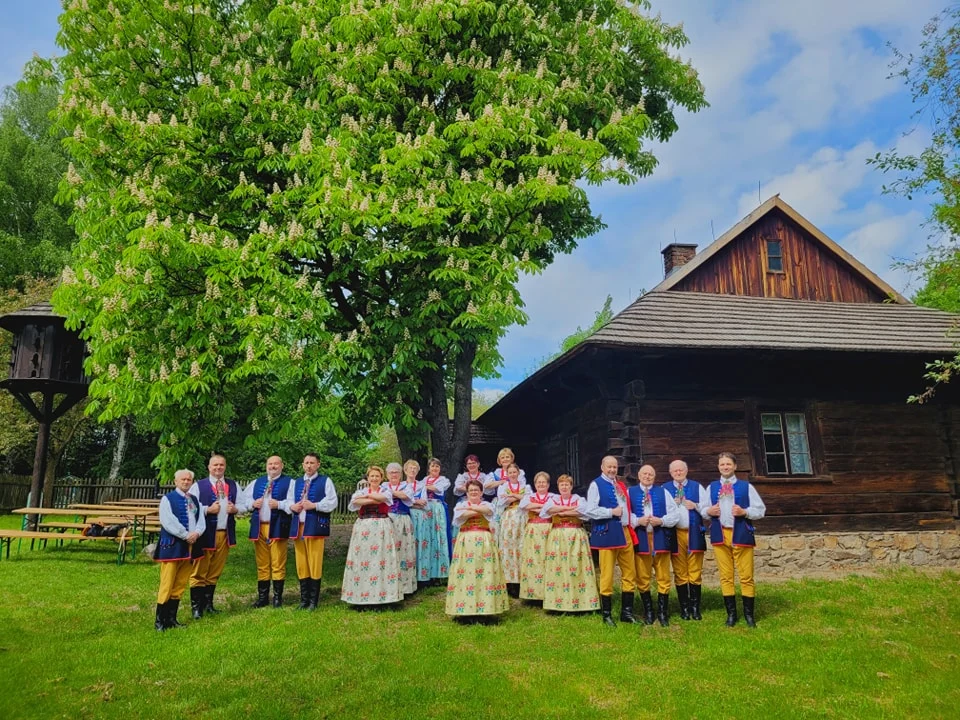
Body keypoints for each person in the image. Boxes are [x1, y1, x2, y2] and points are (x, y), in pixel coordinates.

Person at [702, 452, 766, 627]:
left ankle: (749, 615)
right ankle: (731, 614)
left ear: (735, 466)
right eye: (722, 464)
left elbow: (760, 510)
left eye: (728, 464)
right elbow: (702, 509)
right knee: (726, 576)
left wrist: (745, 512)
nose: (725, 467)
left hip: (741, 534)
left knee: (746, 575)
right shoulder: (712, 487)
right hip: (720, 534)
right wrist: (709, 511)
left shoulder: (746, 487)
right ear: (718, 467)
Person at [189, 453, 245, 619]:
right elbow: (189, 507)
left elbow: (244, 505)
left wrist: (236, 509)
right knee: (199, 571)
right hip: (205, 534)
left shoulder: (233, 485)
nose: (218, 468)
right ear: (209, 467)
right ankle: (197, 608)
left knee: (215, 571)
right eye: (215, 465)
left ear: (225, 467)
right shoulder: (199, 486)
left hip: (224, 534)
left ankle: (208, 605)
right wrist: (207, 509)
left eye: (221, 465)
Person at [585, 455, 638, 626]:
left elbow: (627, 509)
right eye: (609, 467)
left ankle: (626, 612)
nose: (612, 470)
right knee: (607, 574)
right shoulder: (596, 485)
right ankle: (606, 614)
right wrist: (610, 512)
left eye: (615, 467)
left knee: (630, 572)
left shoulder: (620, 485)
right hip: (608, 533)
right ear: (602, 467)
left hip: (625, 532)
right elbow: (590, 510)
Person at [445, 478, 508, 621]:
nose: (474, 492)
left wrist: (470, 509)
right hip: (466, 542)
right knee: (465, 573)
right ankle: (465, 609)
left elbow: (488, 511)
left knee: (485, 573)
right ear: (467, 493)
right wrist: (474, 510)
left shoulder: (487, 504)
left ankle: (486, 609)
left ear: (481, 493)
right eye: (471, 490)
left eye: (476, 490)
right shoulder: (460, 505)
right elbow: (460, 516)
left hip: (484, 542)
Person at [341, 466, 403, 607]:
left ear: (381, 478)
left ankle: (383, 596)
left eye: (377, 476)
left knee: (381, 559)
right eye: (372, 476)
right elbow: (355, 502)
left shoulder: (385, 491)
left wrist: (367, 498)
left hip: (381, 527)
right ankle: (361, 596)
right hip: (364, 527)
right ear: (368, 478)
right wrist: (373, 499)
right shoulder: (361, 491)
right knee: (363, 559)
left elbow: (383, 499)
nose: (374, 479)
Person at [154, 469, 206, 630]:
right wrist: (185, 535)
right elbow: (168, 521)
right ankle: (160, 622)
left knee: (180, 582)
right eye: (183, 479)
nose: (186, 482)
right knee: (167, 582)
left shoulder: (194, 500)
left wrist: (197, 533)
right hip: (173, 546)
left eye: (189, 479)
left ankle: (171, 619)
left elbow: (200, 520)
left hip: (190, 546)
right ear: (176, 481)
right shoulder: (167, 499)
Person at [628, 464, 680, 626]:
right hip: (641, 538)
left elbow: (675, 514)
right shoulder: (630, 492)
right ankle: (649, 611)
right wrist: (638, 521)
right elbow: (625, 514)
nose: (647, 476)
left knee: (663, 576)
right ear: (639, 475)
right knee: (643, 577)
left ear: (654, 476)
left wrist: (662, 521)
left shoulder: (663, 492)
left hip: (660, 538)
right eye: (644, 474)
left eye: (650, 474)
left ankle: (663, 612)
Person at [540, 474, 598, 614]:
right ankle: (558, 603)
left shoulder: (579, 499)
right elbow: (547, 510)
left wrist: (560, 510)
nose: (564, 487)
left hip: (575, 535)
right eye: (562, 485)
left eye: (567, 484)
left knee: (576, 566)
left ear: (571, 486)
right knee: (558, 567)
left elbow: (583, 511)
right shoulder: (553, 499)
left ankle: (582, 602)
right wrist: (569, 510)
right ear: (558, 487)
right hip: (558, 536)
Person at [242, 455, 294, 608]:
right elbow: (244, 501)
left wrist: (279, 504)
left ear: (282, 466)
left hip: (278, 526)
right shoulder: (256, 482)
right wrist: (253, 503)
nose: (273, 466)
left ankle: (277, 598)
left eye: (276, 464)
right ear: (266, 466)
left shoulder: (290, 482)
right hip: (260, 527)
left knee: (278, 562)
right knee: (262, 563)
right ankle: (263, 598)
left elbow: (294, 503)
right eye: (270, 464)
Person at [288, 453, 338, 611]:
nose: (309, 466)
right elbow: (288, 500)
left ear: (318, 465)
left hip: (315, 525)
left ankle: (313, 601)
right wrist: (292, 506)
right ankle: (304, 600)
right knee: (301, 562)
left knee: (315, 562)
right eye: (306, 463)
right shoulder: (296, 482)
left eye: (312, 463)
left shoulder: (325, 481)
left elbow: (332, 502)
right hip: (299, 526)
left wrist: (315, 506)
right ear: (303, 465)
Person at [663, 459, 707, 620]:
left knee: (695, 571)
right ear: (670, 473)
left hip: (694, 532)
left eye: (681, 469)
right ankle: (684, 608)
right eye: (675, 470)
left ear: (686, 471)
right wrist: (672, 506)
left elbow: (707, 509)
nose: (678, 472)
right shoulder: (665, 489)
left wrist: (695, 505)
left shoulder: (697, 487)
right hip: (676, 533)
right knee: (680, 570)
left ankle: (695, 608)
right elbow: (660, 510)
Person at [518, 471, 553, 602]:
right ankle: (533, 593)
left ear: (548, 484)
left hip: (549, 529)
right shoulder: (529, 496)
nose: (541, 484)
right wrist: (544, 507)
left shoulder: (553, 497)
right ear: (535, 484)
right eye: (539, 482)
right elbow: (524, 506)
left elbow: (554, 508)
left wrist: (537, 508)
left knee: (548, 558)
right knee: (533, 559)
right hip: (533, 530)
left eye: (544, 482)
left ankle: (548, 592)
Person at [496, 462, 529, 598]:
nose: (512, 474)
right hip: (508, 517)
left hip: (522, 517)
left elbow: (528, 500)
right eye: (510, 472)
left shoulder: (525, 486)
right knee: (508, 547)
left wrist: (512, 497)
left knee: (521, 546)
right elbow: (501, 502)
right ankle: (509, 582)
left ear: (518, 473)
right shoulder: (503, 487)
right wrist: (518, 497)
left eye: (514, 472)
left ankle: (521, 581)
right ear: (507, 474)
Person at [385, 461, 418, 596]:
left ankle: (405, 586)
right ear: (387, 474)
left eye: (397, 472)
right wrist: (395, 494)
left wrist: (390, 493)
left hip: (403, 520)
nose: (394, 474)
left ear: (400, 474)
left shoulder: (407, 486)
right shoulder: (383, 486)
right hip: (386, 520)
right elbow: (381, 497)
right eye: (391, 472)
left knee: (404, 550)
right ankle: (389, 585)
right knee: (388, 550)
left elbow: (406, 496)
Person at [422, 457, 452, 583]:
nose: (435, 468)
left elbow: (437, 489)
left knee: (439, 537)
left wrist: (424, 487)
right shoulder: (424, 480)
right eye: (432, 466)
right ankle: (428, 572)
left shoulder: (443, 480)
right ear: (429, 468)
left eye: (437, 466)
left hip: (437, 508)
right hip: (426, 508)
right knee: (428, 537)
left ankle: (441, 572)